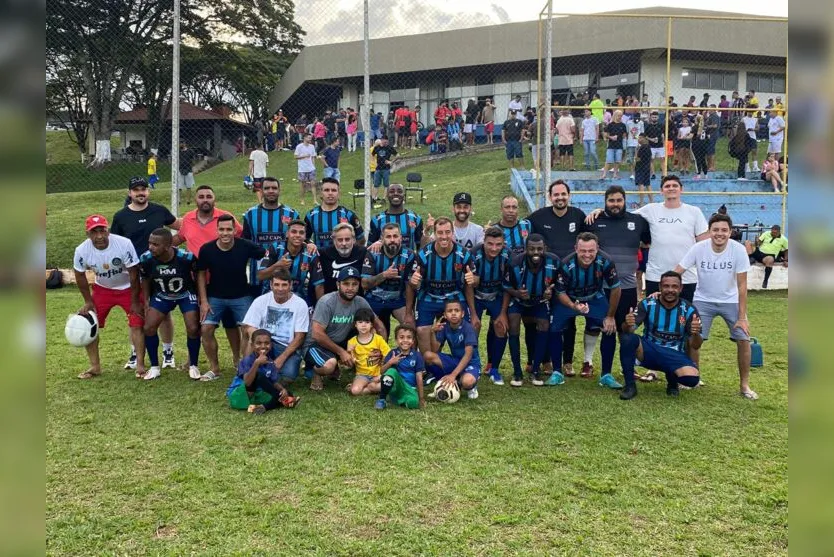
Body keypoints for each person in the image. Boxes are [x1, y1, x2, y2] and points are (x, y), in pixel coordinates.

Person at [674, 214, 757, 400]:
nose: (720, 234)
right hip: (703, 300)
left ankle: (744, 385)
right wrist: (663, 287)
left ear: (730, 232)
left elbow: (742, 285)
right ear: (709, 231)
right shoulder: (698, 248)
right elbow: (678, 270)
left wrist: (742, 317)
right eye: (716, 230)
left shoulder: (738, 250)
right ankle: (694, 378)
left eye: (724, 230)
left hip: (731, 301)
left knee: (744, 339)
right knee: (694, 339)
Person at [589, 176, 708, 302]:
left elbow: (703, 244)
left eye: (675, 186)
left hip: (687, 276)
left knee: (685, 318)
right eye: (667, 186)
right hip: (656, 276)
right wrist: (601, 211)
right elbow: (623, 215)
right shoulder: (651, 209)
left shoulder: (694, 212)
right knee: (654, 317)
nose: (671, 188)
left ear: (681, 189)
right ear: (661, 191)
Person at [584, 186, 651, 388]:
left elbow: (647, 245)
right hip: (601, 286)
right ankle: (605, 373)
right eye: (611, 200)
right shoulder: (594, 221)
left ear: (625, 201)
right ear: (605, 202)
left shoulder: (638, 221)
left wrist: (641, 274)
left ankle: (627, 368)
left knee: (626, 329)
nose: (615, 204)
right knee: (606, 328)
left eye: (618, 200)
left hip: (628, 286)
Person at [111, 176, 180, 369]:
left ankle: (168, 352)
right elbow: (114, 244)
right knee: (136, 313)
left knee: (163, 312)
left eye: (143, 189)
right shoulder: (121, 216)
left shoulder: (159, 211)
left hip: (160, 271)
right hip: (134, 273)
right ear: (129, 193)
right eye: (136, 190)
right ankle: (135, 352)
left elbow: (181, 227)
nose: (140, 193)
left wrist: (176, 245)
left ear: (148, 191)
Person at [72, 215, 145, 379]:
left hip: (128, 288)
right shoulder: (81, 250)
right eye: (94, 232)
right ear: (87, 234)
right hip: (103, 289)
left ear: (108, 230)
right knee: (89, 324)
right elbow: (79, 275)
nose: (99, 236)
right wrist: (88, 301)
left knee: (137, 323)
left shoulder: (123, 243)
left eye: (102, 231)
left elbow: (134, 273)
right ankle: (95, 366)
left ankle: (140, 366)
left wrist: (135, 301)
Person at [543, 233, 620, 386]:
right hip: (570, 299)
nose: (587, 255)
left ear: (597, 248)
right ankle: (557, 371)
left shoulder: (606, 261)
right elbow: (560, 292)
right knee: (554, 328)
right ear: (576, 249)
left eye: (591, 250)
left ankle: (606, 375)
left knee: (609, 328)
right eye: (583, 250)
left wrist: (610, 316)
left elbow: (616, 289)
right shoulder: (566, 264)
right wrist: (573, 306)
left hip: (594, 297)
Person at [197, 214, 266, 382]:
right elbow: (200, 274)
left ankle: (242, 366)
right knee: (205, 329)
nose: (225, 233)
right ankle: (214, 368)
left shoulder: (245, 246)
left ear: (235, 230)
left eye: (229, 229)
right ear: (217, 230)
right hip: (214, 297)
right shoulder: (207, 249)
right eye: (222, 229)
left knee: (248, 331)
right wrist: (204, 301)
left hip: (241, 296)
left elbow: (265, 252)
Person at [528, 180, 586, 376]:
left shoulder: (578, 215)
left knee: (568, 320)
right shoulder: (538, 217)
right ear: (549, 196)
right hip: (545, 277)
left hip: (570, 278)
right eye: (556, 194)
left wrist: (597, 213)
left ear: (569, 196)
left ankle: (567, 361)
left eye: (563, 194)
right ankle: (544, 361)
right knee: (542, 319)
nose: (560, 198)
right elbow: (520, 227)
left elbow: (591, 235)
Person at [618, 271, 702, 400]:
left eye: (674, 287)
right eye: (666, 286)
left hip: (674, 353)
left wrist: (696, 334)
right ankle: (630, 386)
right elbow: (628, 330)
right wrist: (628, 324)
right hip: (650, 350)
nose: (670, 290)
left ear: (680, 288)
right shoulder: (648, 304)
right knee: (627, 339)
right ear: (660, 287)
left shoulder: (689, 309)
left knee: (691, 380)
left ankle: (672, 382)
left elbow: (696, 345)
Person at [303, 267, 386, 391]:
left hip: (339, 342)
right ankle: (316, 372)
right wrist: (341, 352)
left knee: (368, 330)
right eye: (346, 284)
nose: (350, 288)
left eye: (354, 284)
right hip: (315, 345)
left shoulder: (360, 302)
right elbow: (317, 334)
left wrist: (378, 349)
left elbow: (380, 327)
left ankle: (351, 369)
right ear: (338, 284)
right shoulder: (327, 302)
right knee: (329, 365)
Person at [492, 234, 559, 386]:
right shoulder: (515, 262)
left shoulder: (554, 262)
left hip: (540, 301)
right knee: (513, 323)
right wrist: (517, 293)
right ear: (525, 249)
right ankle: (517, 372)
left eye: (539, 249)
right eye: (532, 249)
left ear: (545, 249)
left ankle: (535, 371)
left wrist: (550, 293)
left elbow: (559, 284)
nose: (536, 252)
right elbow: (505, 285)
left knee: (544, 325)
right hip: (518, 301)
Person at [405, 217, 478, 353]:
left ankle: (461, 364)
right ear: (435, 233)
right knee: (422, 330)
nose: (444, 237)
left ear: (453, 233)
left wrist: (473, 280)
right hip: (429, 297)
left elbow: (472, 282)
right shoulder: (423, 255)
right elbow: (410, 284)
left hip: (454, 296)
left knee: (464, 328)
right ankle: (429, 366)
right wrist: (409, 311)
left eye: (447, 232)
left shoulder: (463, 254)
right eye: (440, 233)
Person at [139, 228, 201, 381]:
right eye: (149, 243)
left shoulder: (186, 258)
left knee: (193, 327)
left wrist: (200, 297)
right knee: (148, 327)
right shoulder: (146, 259)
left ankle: (193, 364)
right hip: (162, 295)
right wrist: (146, 300)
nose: (150, 247)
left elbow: (198, 274)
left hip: (185, 294)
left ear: (167, 246)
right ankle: (154, 367)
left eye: (155, 244)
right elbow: (145, 279)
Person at [240, 268, 309, 387]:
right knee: (249, 335)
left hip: (286, 347)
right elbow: (248, 326)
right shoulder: (261, 301)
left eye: (284, 285)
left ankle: (264, 378)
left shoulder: (300, 304)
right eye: (276, 284)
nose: (280, 289)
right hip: (265, 342)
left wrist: (282, 358)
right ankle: (246, 371)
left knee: (288, 376)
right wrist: (260, 341)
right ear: (271, 285)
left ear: (290, 285)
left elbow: (300, 337)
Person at [241, 177, 301, 295]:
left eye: (274, 188)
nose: (271, 191)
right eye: (267, 188)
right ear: (261, 191)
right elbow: (245, 244)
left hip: (285, 276)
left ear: (279, 190)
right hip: (258, 276)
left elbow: (299, 239)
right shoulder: (250, 214)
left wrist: (309, 244)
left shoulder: (292, 214)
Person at [225, 329, 301, 414]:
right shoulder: (247, 361)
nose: (263, 346)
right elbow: (247, 383)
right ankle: (271, 405)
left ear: (271, 345)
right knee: (259, 375)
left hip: (258, 393)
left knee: (286, 393)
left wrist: (282, 389)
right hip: (240, 395)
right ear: (252, 345)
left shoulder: (270, 362)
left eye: (267, 343)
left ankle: (264, 406)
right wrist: (256, 363)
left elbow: (274, 382)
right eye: (258, 343)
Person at [361, 223, 414, 340]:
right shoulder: (372, 253)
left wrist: (409, 313)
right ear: (382, 238)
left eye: (395, 236)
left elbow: (409, 285)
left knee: (411, 327)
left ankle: (411, 357)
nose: (392, 240)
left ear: (401, 237)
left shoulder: (409, 255)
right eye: (388, 237)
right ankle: (381, 357)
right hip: (374, 299)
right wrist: (384, 275)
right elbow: (364, 284)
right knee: (378, 331)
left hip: (397, 300)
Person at [471, 227, 510, 385]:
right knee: (474, 327)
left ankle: (494, 369)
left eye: (498, 244)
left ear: (503, 244)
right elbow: (468, 286)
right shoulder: (474, 255)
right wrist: (473, 313)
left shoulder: (508, 257)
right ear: (484, 241)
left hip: (497, 296)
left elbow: (508, 287)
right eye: (490, 244)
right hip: (476, 297)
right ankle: (474, 365)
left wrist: (503, 313)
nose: (494, 248)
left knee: (501, 326)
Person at [423, 300, 482, 400]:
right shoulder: (445, 327)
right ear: (445, 315)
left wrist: (453, 375)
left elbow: (468, 355)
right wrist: (432, 332)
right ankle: (443, 382)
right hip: (456, 361)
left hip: (470, 363)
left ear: (462, 314)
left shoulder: (468, 328)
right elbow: (435, 350)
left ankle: (470, 384)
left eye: (457, 310)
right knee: (427, 355)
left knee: (467, 382)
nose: (453, 313)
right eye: (450, 311)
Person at [257, 219, 324, 304]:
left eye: (301, 233)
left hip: (297, 297)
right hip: (272, 295)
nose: (297, 235)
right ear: (287, 234)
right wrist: (277, 266)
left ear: (305, 236)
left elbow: (319, 284)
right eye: (294, 232)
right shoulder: (274, 248)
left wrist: (320, 308)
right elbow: (260, 275)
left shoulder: (311, 253)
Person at [304, 178, 365, 250]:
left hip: (343, 259)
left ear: (339, 194)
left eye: (334, 190)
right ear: (321, 193)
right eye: (326, 190)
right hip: (320, 259)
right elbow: (304, 239)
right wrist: (310, 245)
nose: (330, 193)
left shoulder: (349, 215)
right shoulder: (311, 216)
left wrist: (350, 252)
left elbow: (361, 239)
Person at [376, 324, 426, 410]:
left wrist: (421, 398)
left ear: (413, 341)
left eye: (409, 337)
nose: (405, 340)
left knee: (413, 403)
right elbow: (381, 372)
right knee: (391, 371)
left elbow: (419, 377)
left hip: (409, 388)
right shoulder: (392, 353)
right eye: (401, 337)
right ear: (396, 340)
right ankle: (382, 399)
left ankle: (397, 400)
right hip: (395, 386)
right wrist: (390, 362)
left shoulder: (417, 356)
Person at [345, 308, 391, 396]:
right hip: (362, 375)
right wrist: (351, 355)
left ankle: (370, 387)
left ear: (371, 325)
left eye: (367, 322)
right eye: (360, 322)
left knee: (388, 384)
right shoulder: (352, 342)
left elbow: (388, 354)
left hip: (378, 374)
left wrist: (383, 362)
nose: (363, 325)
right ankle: (371, 388)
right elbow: (351, 362)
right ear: (355, 324)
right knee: (355, 391)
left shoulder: (378, 339)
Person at [367, 183, 425, 251]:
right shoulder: (376, 220)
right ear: (387, 195)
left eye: (400, 191)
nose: (396, 193)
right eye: (391, 191)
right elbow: (370, 247)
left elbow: (421, 247)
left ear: (404, 195)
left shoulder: (415, 219)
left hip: (408, 261)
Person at [318, 222, 368, 294]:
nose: (344, 243)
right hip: (331, 300)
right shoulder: (323, 253)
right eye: (340, 240)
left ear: (353, 240)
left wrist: (379, 243)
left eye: (347, 239)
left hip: (356, 301)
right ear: (334, 241)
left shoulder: (364, 252)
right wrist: (309, 245)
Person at [600, 110, 627, 179]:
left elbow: (624, 135)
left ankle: (615, 174)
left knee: (617, 161)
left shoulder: (623, 125)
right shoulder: (610, 124)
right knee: (608, 161)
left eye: (621, 116)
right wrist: (611, 137)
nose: (620, 117)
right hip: (611, 146)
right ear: (615, 115)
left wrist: (620, 137)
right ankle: (604, 174)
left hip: (619, 146)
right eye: (619, 115)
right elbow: (605, 134)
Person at [371, 136, 398, 202]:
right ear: (381, 140)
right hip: (378, 169)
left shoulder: (389, 148)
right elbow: (372, 155)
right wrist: (374, 162)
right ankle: (374, 198)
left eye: (387, 142)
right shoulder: (377, 148)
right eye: (385, 142)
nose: (386, 143)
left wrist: (391, 162)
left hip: (386, 169)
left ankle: (384, 198)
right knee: (376, 184)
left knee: (386, 184)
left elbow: (398, 155)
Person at [294, 133, 318, 206]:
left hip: (311, 169)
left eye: (310, 138)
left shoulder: (312, 146)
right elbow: (295, 156)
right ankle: (302, 200)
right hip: (302, 169)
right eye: (308, 138)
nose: (310, 139)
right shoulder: (299, 146)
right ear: (304, 138)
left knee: (313, 184)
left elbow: (313, 156)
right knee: (303, 186)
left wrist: (314, 166)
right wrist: (304, 156)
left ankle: (315, 200)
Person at [643, 111, 665, 179]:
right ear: (651, 117)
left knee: (662, 159)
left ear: (658, 117)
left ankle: (663, 174)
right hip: (651, 146)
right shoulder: (648, 126)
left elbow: (663, 134)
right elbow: (645, 136)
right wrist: (651, 139)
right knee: (651, 160)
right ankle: (653, 174)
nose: (654, 118)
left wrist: (663, 142)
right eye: (653, 117)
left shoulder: (661, 125)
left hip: (660, 146)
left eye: (655, 117)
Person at [633, 134, 653, 205]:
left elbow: (637, 159)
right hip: (647, 167)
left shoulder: (642, 148)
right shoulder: (648, 147)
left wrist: (636, 151)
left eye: (641, 138)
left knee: (640, 184)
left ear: (645, 138)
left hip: (640, 168)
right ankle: (651, 202)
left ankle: (641, 202)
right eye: (638, 138)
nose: (639, 139)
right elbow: (650, 159)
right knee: (648, 184)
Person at [690, 114, 709, 179]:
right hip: (703, 144)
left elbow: (691, 136)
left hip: (696, 144)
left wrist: (684, 136)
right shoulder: (705, 127)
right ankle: (706, 174)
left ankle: (698, 174)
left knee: (697, 159)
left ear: (696, 120)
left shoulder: (695, 127)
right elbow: (708, 137)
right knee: (703, 159)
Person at [742, 109, 760, 173]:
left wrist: (753, 129)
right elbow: (741, 127)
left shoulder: (755, 119)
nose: (750, 113)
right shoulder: (744, 119)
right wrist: (746, 130)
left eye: (752, 112)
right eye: (749, 111)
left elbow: (758, 128)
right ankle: (747, 167)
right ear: (747, 111)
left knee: (754, 151)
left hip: (753, 137)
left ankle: (755, 166)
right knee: (746, 152)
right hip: (745, 137)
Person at [705, 106, 721, 171]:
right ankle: (709, 166)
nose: (709, 110)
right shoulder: (710, 116)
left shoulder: (714, 116)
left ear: (714, 109)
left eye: (710, 109)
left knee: (711, 151)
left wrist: (706, 126)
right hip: (709, 135)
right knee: (708, 151)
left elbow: (715, 125)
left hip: (712, 135)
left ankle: (712, 167)